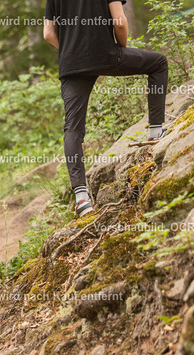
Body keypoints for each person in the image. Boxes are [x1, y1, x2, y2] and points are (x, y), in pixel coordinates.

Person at [44, 0, 168, 217]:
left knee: (73, 129)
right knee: (159, 63)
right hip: (106, 55)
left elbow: (48, 33)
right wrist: (122, 49)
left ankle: (81, 198)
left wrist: (72, 50)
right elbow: (120, 22)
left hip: (72, 64)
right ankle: (156, 131)